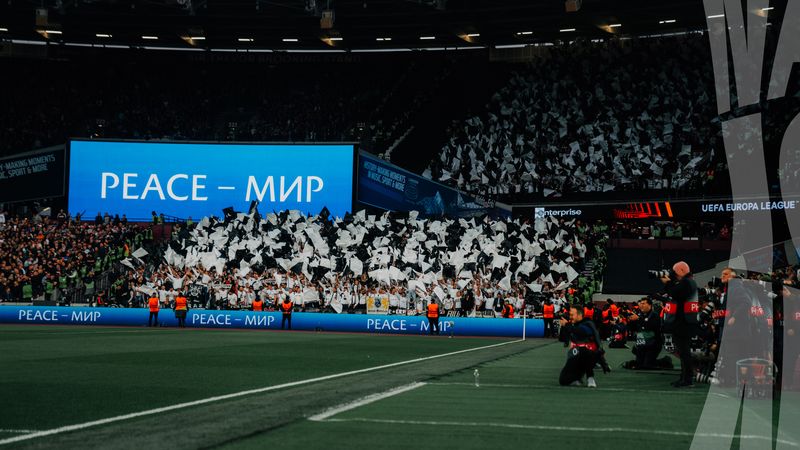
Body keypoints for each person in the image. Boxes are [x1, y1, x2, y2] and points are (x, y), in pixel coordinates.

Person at [661, 261, 699, 387]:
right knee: (683, 352)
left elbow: (675, 294)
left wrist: (668, 283)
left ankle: (687, 379)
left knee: (684, 352)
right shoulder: (690, 281)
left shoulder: (686, 282)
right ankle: (684, 378)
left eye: (674, 272)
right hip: (686, 322)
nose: (672, 274)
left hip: (683, 323)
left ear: (682, 271)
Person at [558, 305, 609, 387]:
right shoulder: (572, 324)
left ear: (579, 315)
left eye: (572, 315)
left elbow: (581, 332)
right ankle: (577, 377)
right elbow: (562, 338)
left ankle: (590, 377)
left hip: (590, 355)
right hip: (576, 355)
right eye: (570, 315)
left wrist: (567, 325)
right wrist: (563, 327)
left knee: (583, 350)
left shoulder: (587, 324)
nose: (570, 317)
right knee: (563, 380)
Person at [628, 297, 663, 369]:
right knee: (638, 364)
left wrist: (638, 319)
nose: (641, 305)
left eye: (643, 303)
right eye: (640, 303)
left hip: (653, 345)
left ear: (650, 305)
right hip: (642, 344)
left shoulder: (655, 315)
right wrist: (631, 321)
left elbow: (651, 327)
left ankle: (665, 361)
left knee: (647, 365)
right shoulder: (639, 315)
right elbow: (633, 329)